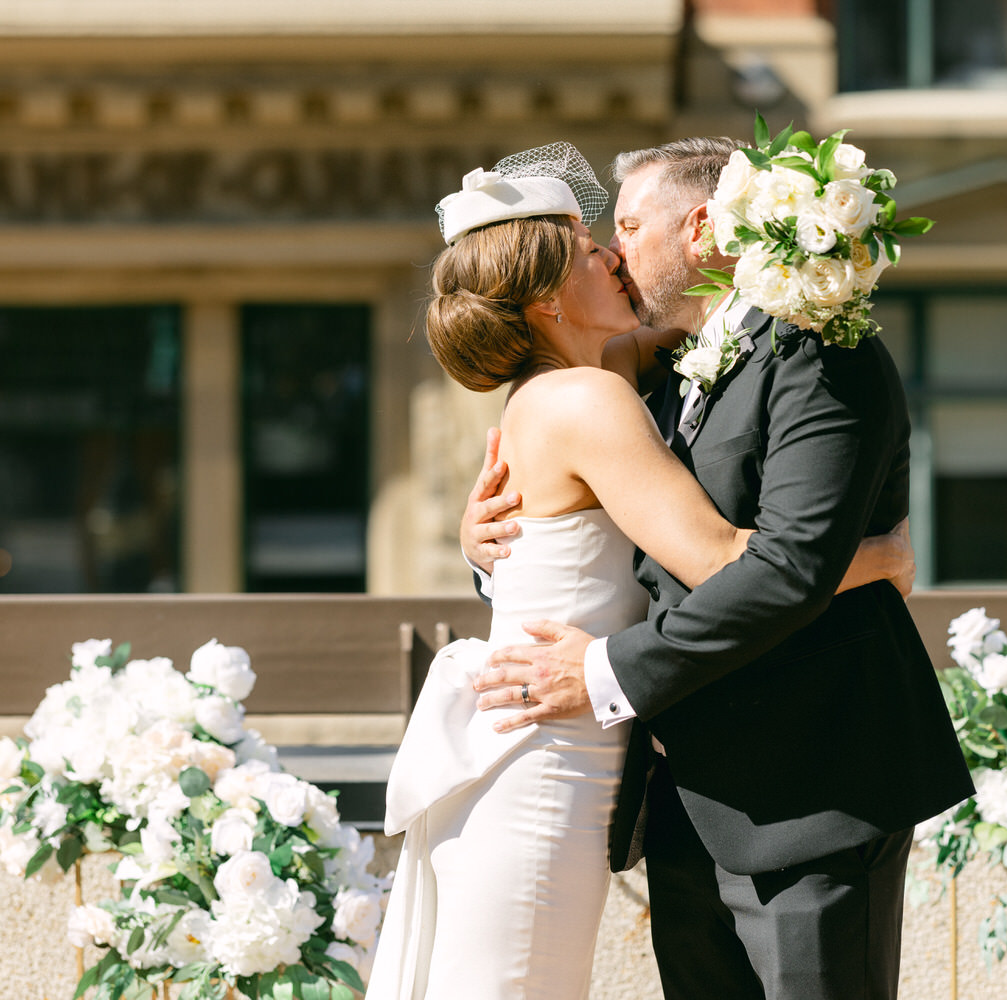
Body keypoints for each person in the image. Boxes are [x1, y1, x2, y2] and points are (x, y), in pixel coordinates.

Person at [365, 144, 913, 1000]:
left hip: (707, 769)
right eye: (597, 244)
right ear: (548, 299)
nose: (614, 254)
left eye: (622, 228)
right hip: (558, 755)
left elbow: (590, 542)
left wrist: (486, 554)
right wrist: (878, 558)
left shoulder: (633, 369)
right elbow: (736, 561)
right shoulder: (593, 397)